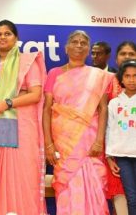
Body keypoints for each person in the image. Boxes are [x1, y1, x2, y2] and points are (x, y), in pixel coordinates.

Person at [0, 20, 47, 215]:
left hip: (23, 125)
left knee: (25, 176)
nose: (2, 37)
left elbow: (35, 94)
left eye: (7, 33)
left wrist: (8, 103)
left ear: (16, 38)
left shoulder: (27, 62)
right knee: (1, 177)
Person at [43, 30, 113, 214]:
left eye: (83, 43)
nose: (79, 45)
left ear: (88, 49)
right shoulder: (54, 73)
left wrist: (99, 140)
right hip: (63, 141)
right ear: (66, 48)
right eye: (75, 42)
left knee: (93, 182)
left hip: (90, 140)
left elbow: (103, 108)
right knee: (67, 183)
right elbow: (47, 108)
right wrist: (48, 144)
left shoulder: (97, 76)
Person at [106, 41, 136, 215]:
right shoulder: (114, 103)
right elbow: (109, 130)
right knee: (131, 197)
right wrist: (110, 157)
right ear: (121, 78)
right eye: (128, 76)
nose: (132, 80)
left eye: (135, 75)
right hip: (123, 156)